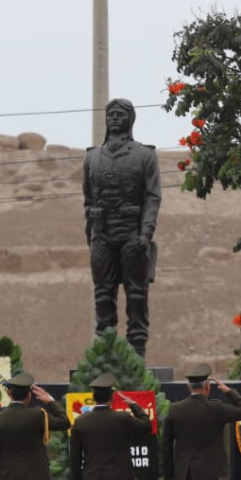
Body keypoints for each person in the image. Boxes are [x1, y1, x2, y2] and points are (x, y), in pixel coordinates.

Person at [83, 98, 163, 359]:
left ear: (130, 120)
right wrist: (92, 233)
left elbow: (153, 197)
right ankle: (106, 350)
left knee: (136, 294)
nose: (115, 118)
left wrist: (145, 233)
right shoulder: (92, 157)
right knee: (103, 293)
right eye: (111, 114)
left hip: (132, 233)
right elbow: (87, 200)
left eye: (120, 114)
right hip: (102, 234)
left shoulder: (145, 155)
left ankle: (136, 350)